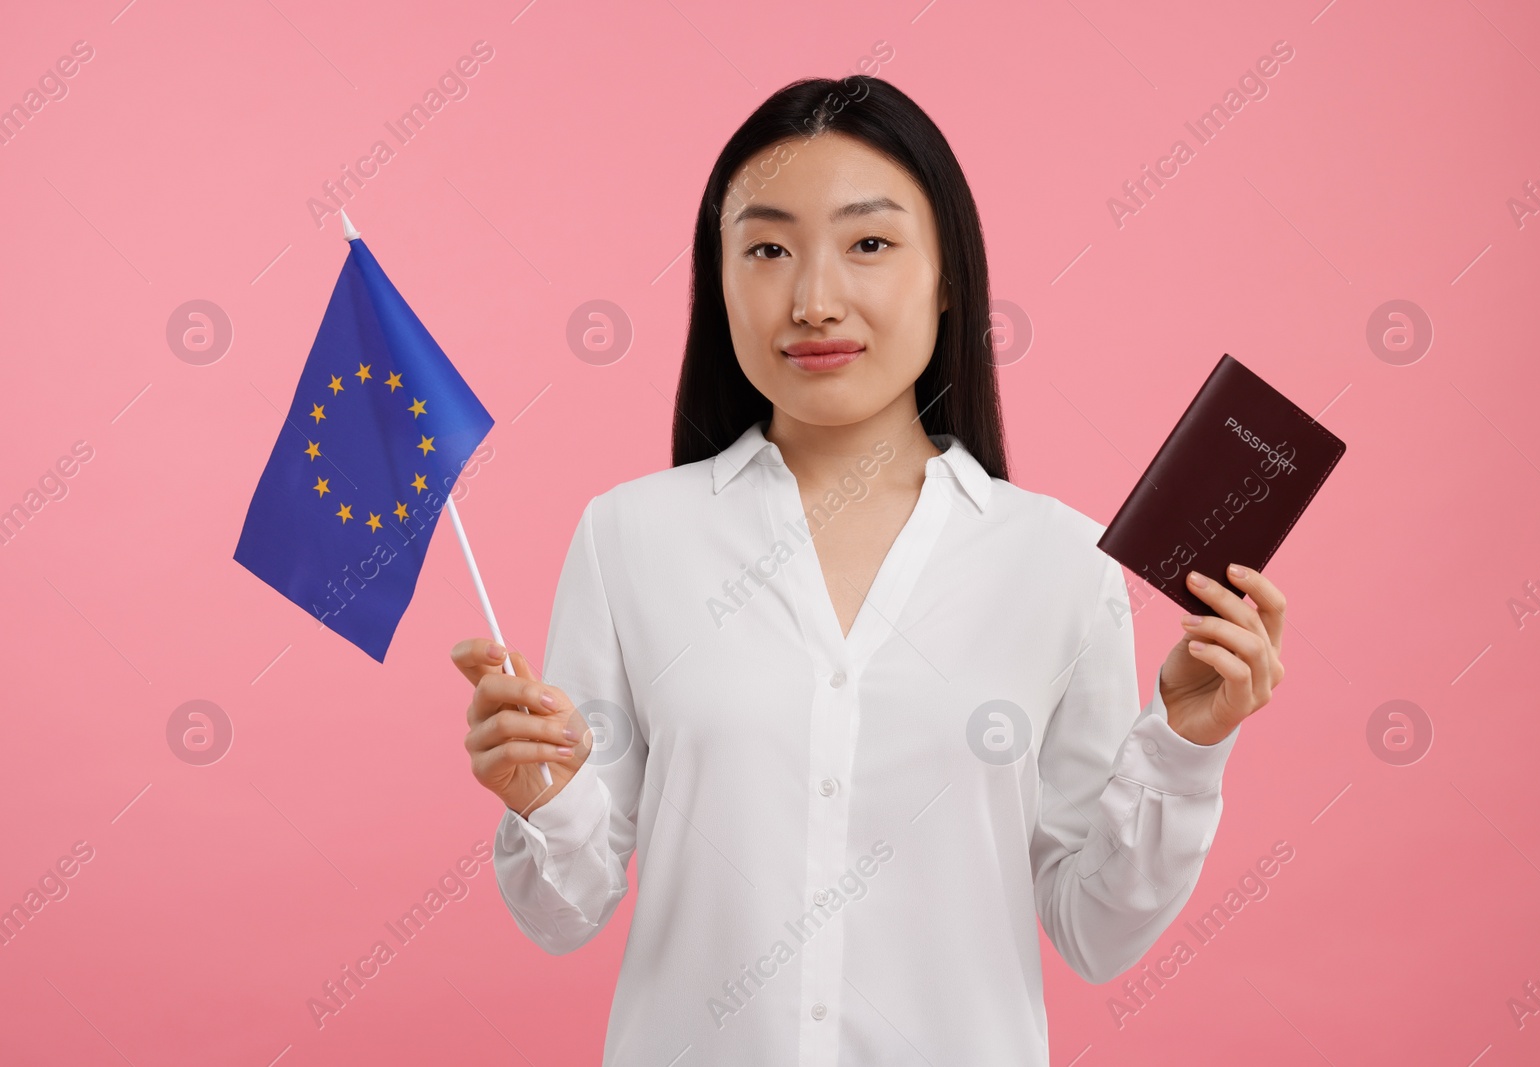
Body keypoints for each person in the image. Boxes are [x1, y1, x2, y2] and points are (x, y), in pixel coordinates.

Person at [451, 75, 1286, 1066]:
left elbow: (1092, 931)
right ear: (716, 281)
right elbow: (565, 911)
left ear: (945, 278)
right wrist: (541, 794)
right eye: (766, 248)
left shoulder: (1060, 561)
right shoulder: (631, 538)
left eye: (869, 243)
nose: (812, 298)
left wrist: (1185, 750)